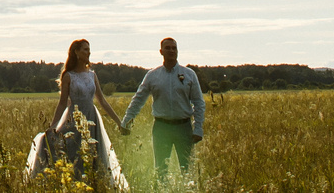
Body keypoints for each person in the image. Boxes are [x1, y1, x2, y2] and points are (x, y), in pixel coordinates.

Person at [31, 38, 128, 185]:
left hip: (92, 118)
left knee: (94, 155)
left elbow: (102, 101)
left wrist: (119, 122)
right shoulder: (68, 76)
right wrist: (53, 126)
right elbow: (62, 103)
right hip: (73, 119)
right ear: (76, 52)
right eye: (85, 49)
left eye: (89, 49)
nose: (89, 52)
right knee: (74, 153)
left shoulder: (92, 75)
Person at [120, 36, 205, 182]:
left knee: (188, 171)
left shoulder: (189, 74)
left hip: (184, 128)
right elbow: (138, 100)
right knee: (161, 171)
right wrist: (127, 121)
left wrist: (198, 128)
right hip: (161, 128)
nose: (171, 51)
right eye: (168, 48)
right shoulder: (153, 75)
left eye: (174, 48)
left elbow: (198, 102)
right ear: (161, 51)